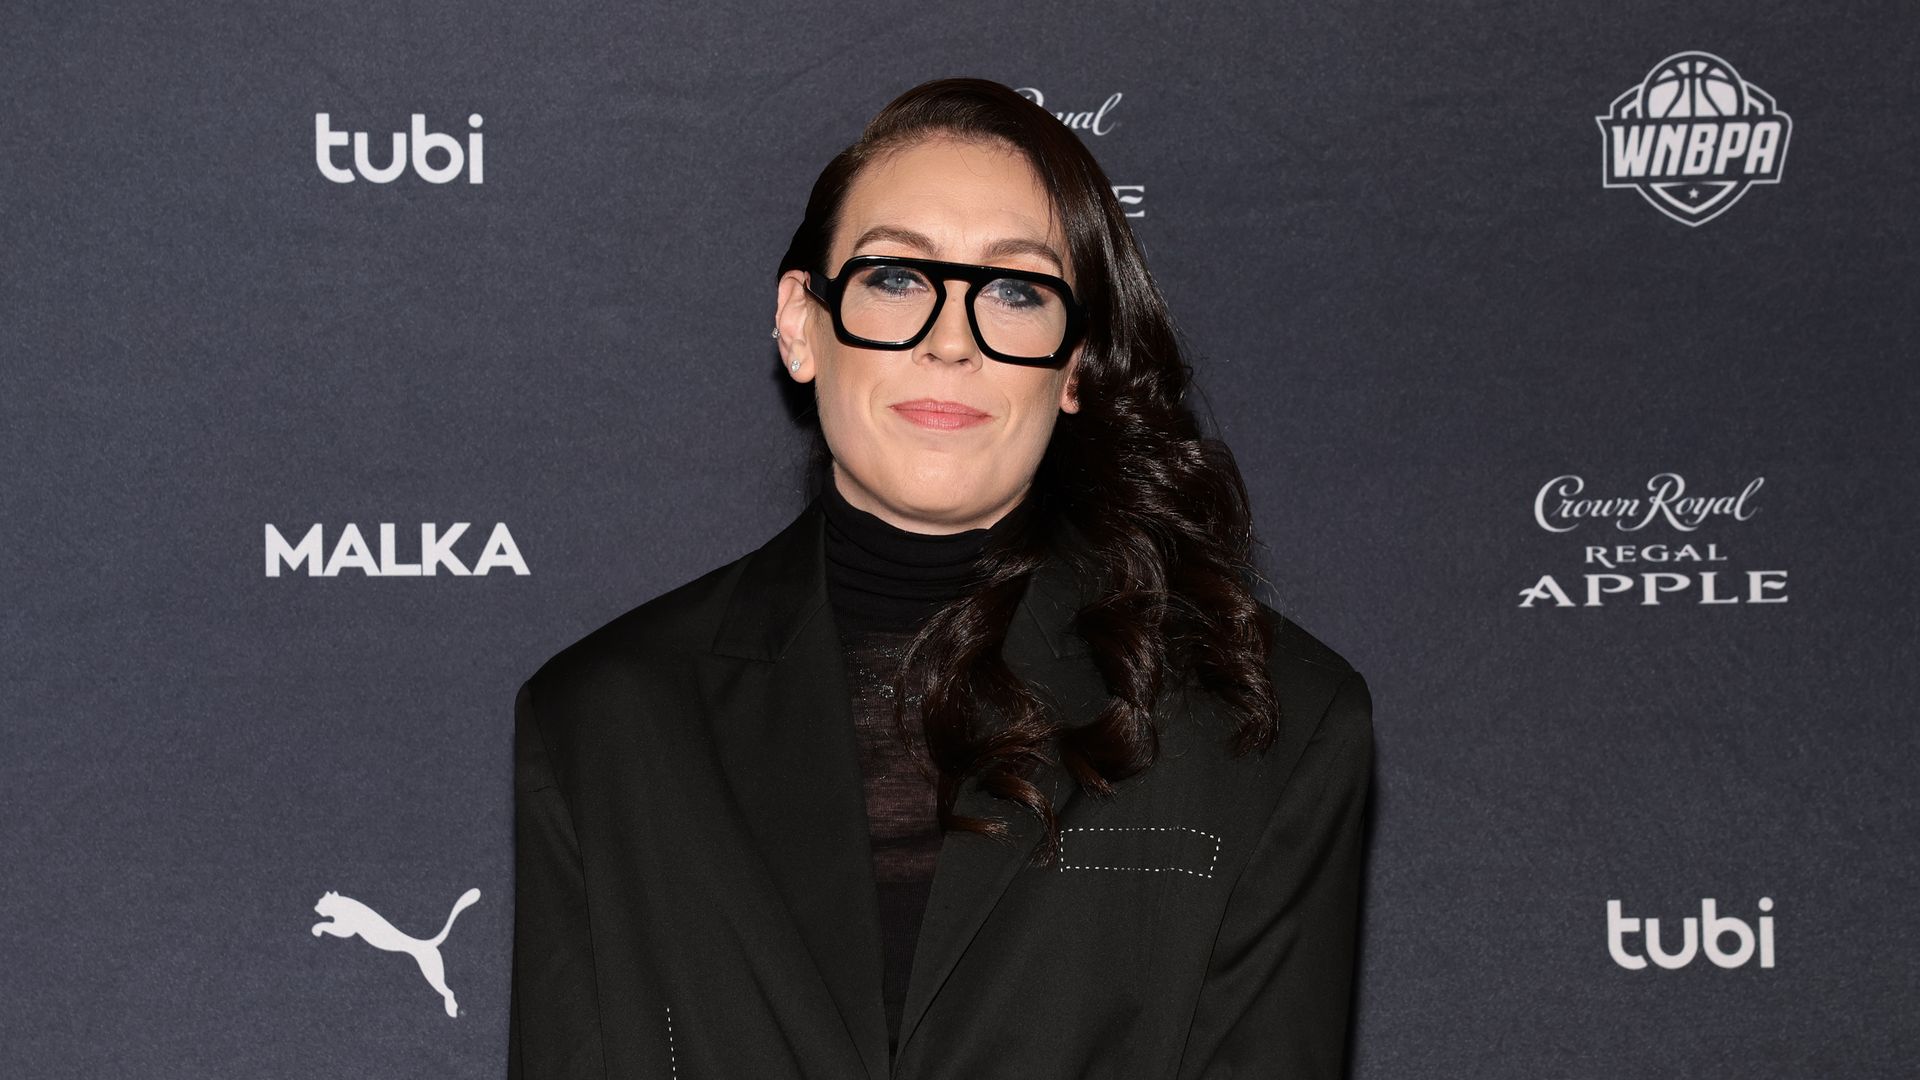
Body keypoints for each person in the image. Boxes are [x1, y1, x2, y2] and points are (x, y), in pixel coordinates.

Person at [508, 77, 1374, 1080]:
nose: (950, 340)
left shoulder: (1268, 721)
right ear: (802, 323)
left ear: (1077, 363)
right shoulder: (607, 721)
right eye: (895, 279)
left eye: (1016, 291)